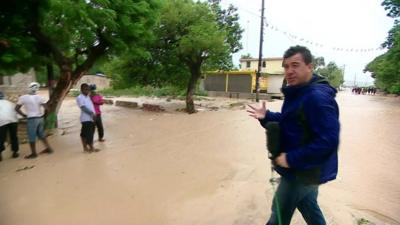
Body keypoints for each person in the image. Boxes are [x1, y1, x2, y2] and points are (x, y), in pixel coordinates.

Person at [247, 46, 340, 225]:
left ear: (309, 67)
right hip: (309, 171)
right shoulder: (300, 93)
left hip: (301, 171)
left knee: (278, 216)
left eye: (295, 65)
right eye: (286, 66)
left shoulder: (316, 98)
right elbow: (292, 122)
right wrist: (267, 117)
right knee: (310, 208)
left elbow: (328, 141)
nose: (289, 71)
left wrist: (290, 159)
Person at [15, 82, 54, 159]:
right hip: (40, 118)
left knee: (31, 136)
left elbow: (16, 108)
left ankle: (33, 153)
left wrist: (24, 115)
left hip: (31, 119)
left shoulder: (23, 97)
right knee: (41, 135)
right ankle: (49, 148)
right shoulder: (40, 97)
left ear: (29, 88)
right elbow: (48, 109)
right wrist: (44, 116)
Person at [77, 83, 99, 153]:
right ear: (82, 90)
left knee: (84, 134)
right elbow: (83, 108)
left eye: (88, 89)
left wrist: (93, 91)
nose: (87, 91)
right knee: (89, 134)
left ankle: (85, 148)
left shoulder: (88, 97)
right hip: (86, 119)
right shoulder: (80, 97)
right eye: (86, 89)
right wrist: (92, 113)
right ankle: (91, 148)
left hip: (91, 118)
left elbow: (94, 94)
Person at [0, 91, 20, 161]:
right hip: (13, 121)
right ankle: (15, 152)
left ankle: (0, 154)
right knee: (14, 137)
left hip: (2, 122)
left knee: (1, 138)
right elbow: (16, 111)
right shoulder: (10, 103)